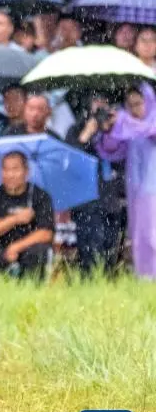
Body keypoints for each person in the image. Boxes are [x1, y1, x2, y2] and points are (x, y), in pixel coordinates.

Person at [97, 86, 156, 279]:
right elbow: (111, 150)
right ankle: (146, 279)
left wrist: (125, 121)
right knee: (141, 236)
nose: (134, 109)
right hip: (137, 191)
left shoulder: (149, 121)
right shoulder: (128, 125)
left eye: (138, 103)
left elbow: (151, 132)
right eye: (130, 105)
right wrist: (109, 129)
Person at [66, 93, 126, 276]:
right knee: (91, 254)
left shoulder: (117, 129)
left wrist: (113, 132)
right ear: (89, 104)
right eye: (96, 101)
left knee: (110, 253)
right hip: (87, 202)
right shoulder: (76, 128)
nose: (100, 106)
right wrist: (86, 134)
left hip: (112, 202)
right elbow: (70, 163)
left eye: (105, 101)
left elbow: (125, 161)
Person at [0, 152, 55, 279]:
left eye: (15, 169)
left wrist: (16, 247)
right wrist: (15, 219)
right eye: (6, 169)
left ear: (26, 172)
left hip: (27, 248)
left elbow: (46, 233)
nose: (10, 175)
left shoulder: (40, 196)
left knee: (38, 252)